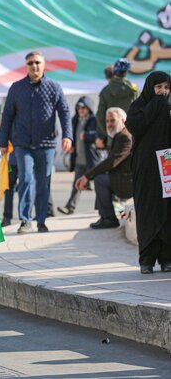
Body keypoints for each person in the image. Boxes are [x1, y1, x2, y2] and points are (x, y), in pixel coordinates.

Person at [0, 51, 72, 234]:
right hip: (22, 145)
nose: (34, 66)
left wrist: (67, 136)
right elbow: (7, 115)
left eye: (37, 62)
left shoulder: (54, 87)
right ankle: (25, 220)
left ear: (44, 65)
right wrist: (3, 141)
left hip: (46, 145)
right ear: (26, 66)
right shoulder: (16, 88)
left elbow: (64, 112)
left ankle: (41, 221)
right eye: (30, 63)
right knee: (26, 179)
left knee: (43, 183)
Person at [125, 71, 171, 274]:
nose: (163, 92)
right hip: (146, 165)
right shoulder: (139, 107)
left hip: (167, 164)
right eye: (158, 87)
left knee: (167, 210)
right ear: (149, 88)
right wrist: (158, 106)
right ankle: (147, 258)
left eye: (167, 88)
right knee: (146, 209)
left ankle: (167, 257)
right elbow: (134, 124)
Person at [75, 108, 133, 230]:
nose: (109, 124)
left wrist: (87, 176)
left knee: (100, 180)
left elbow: (111, 162)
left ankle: (109, 219)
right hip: (123, 178)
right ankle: (105, 217)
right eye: (107, 121)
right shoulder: (120, 135)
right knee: (100, 178)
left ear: (123, 121)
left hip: (128, 182)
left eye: (113, 120)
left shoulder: (125, 137)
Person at [58, 97, 100, 215]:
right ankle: (70, 207)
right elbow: (69, 134)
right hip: (79, 160)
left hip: (92, 159)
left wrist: (86, 136)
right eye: (79, 108)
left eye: (83, 108)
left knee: (99, 185)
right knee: (77, 184)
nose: (81, 110)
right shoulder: (75, 120)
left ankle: (99, 209)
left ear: (89, 108)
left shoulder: (94, 120)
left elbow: (99, 135)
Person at [96, 58, 138, 149]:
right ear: (126, 72)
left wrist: (109, 132)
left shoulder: (105, 91)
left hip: (112, 141)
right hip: (131, 138)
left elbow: (100, 116)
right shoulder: (133, 91)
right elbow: (138, 114)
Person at [1, 150, 18, 227]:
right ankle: (7, 217)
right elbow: (3, 138)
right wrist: (2, 144)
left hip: (26, 157)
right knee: (9, 187)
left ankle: (25, 218)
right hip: (12, 159)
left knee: (26, 187)